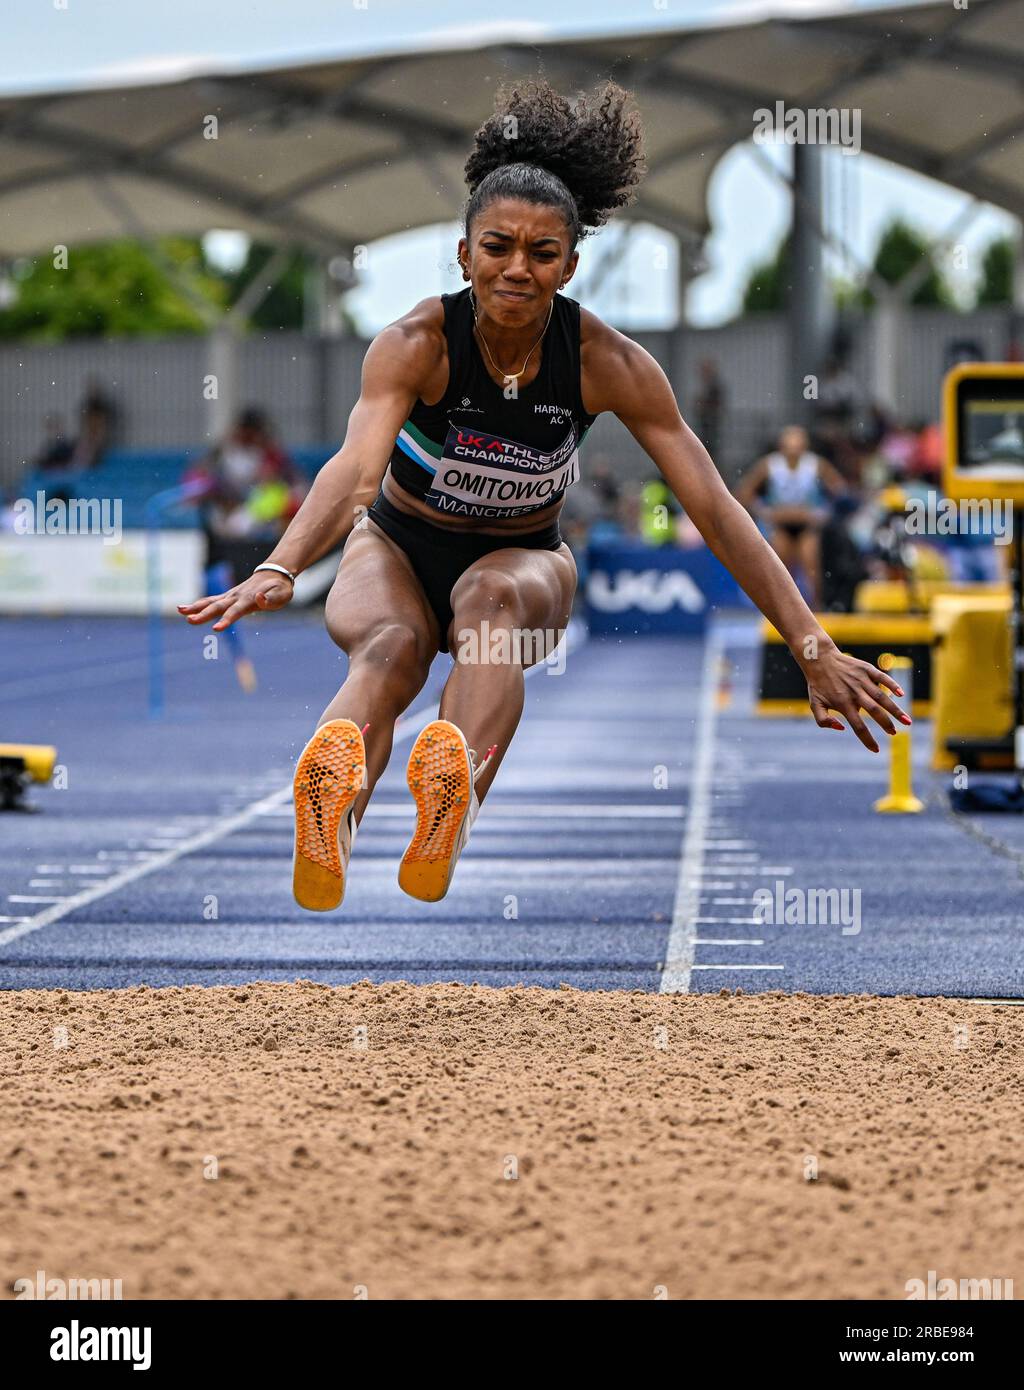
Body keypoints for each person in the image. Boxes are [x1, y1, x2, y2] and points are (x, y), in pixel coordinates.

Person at [178, 78, 909, 914]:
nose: (517, 269)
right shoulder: (415, 344)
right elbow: (354, 470)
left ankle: (448, 786)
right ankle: (336, 789)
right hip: (396, 545)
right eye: (497, 247)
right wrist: (281, 563)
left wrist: (810, 644)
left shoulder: (607, 362)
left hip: (521, 559)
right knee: (389, 644)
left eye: (541, 252)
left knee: (489, 607)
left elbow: (714, 506)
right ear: (463, 255)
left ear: (571, 263)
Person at [734, 424, 850, 609]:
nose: (794, 451)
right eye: (790, 446)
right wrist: (764, 511)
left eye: (798, 446)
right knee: (781, 571)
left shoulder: (814, 464)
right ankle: (782, 611)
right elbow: (744, 492)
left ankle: (816, 609)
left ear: (804, 447)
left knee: (811, 568)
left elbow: (840, 491)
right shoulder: (771, 465)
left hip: (806, 526)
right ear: (782, 447)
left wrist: (823, 512)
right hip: (781, 525)